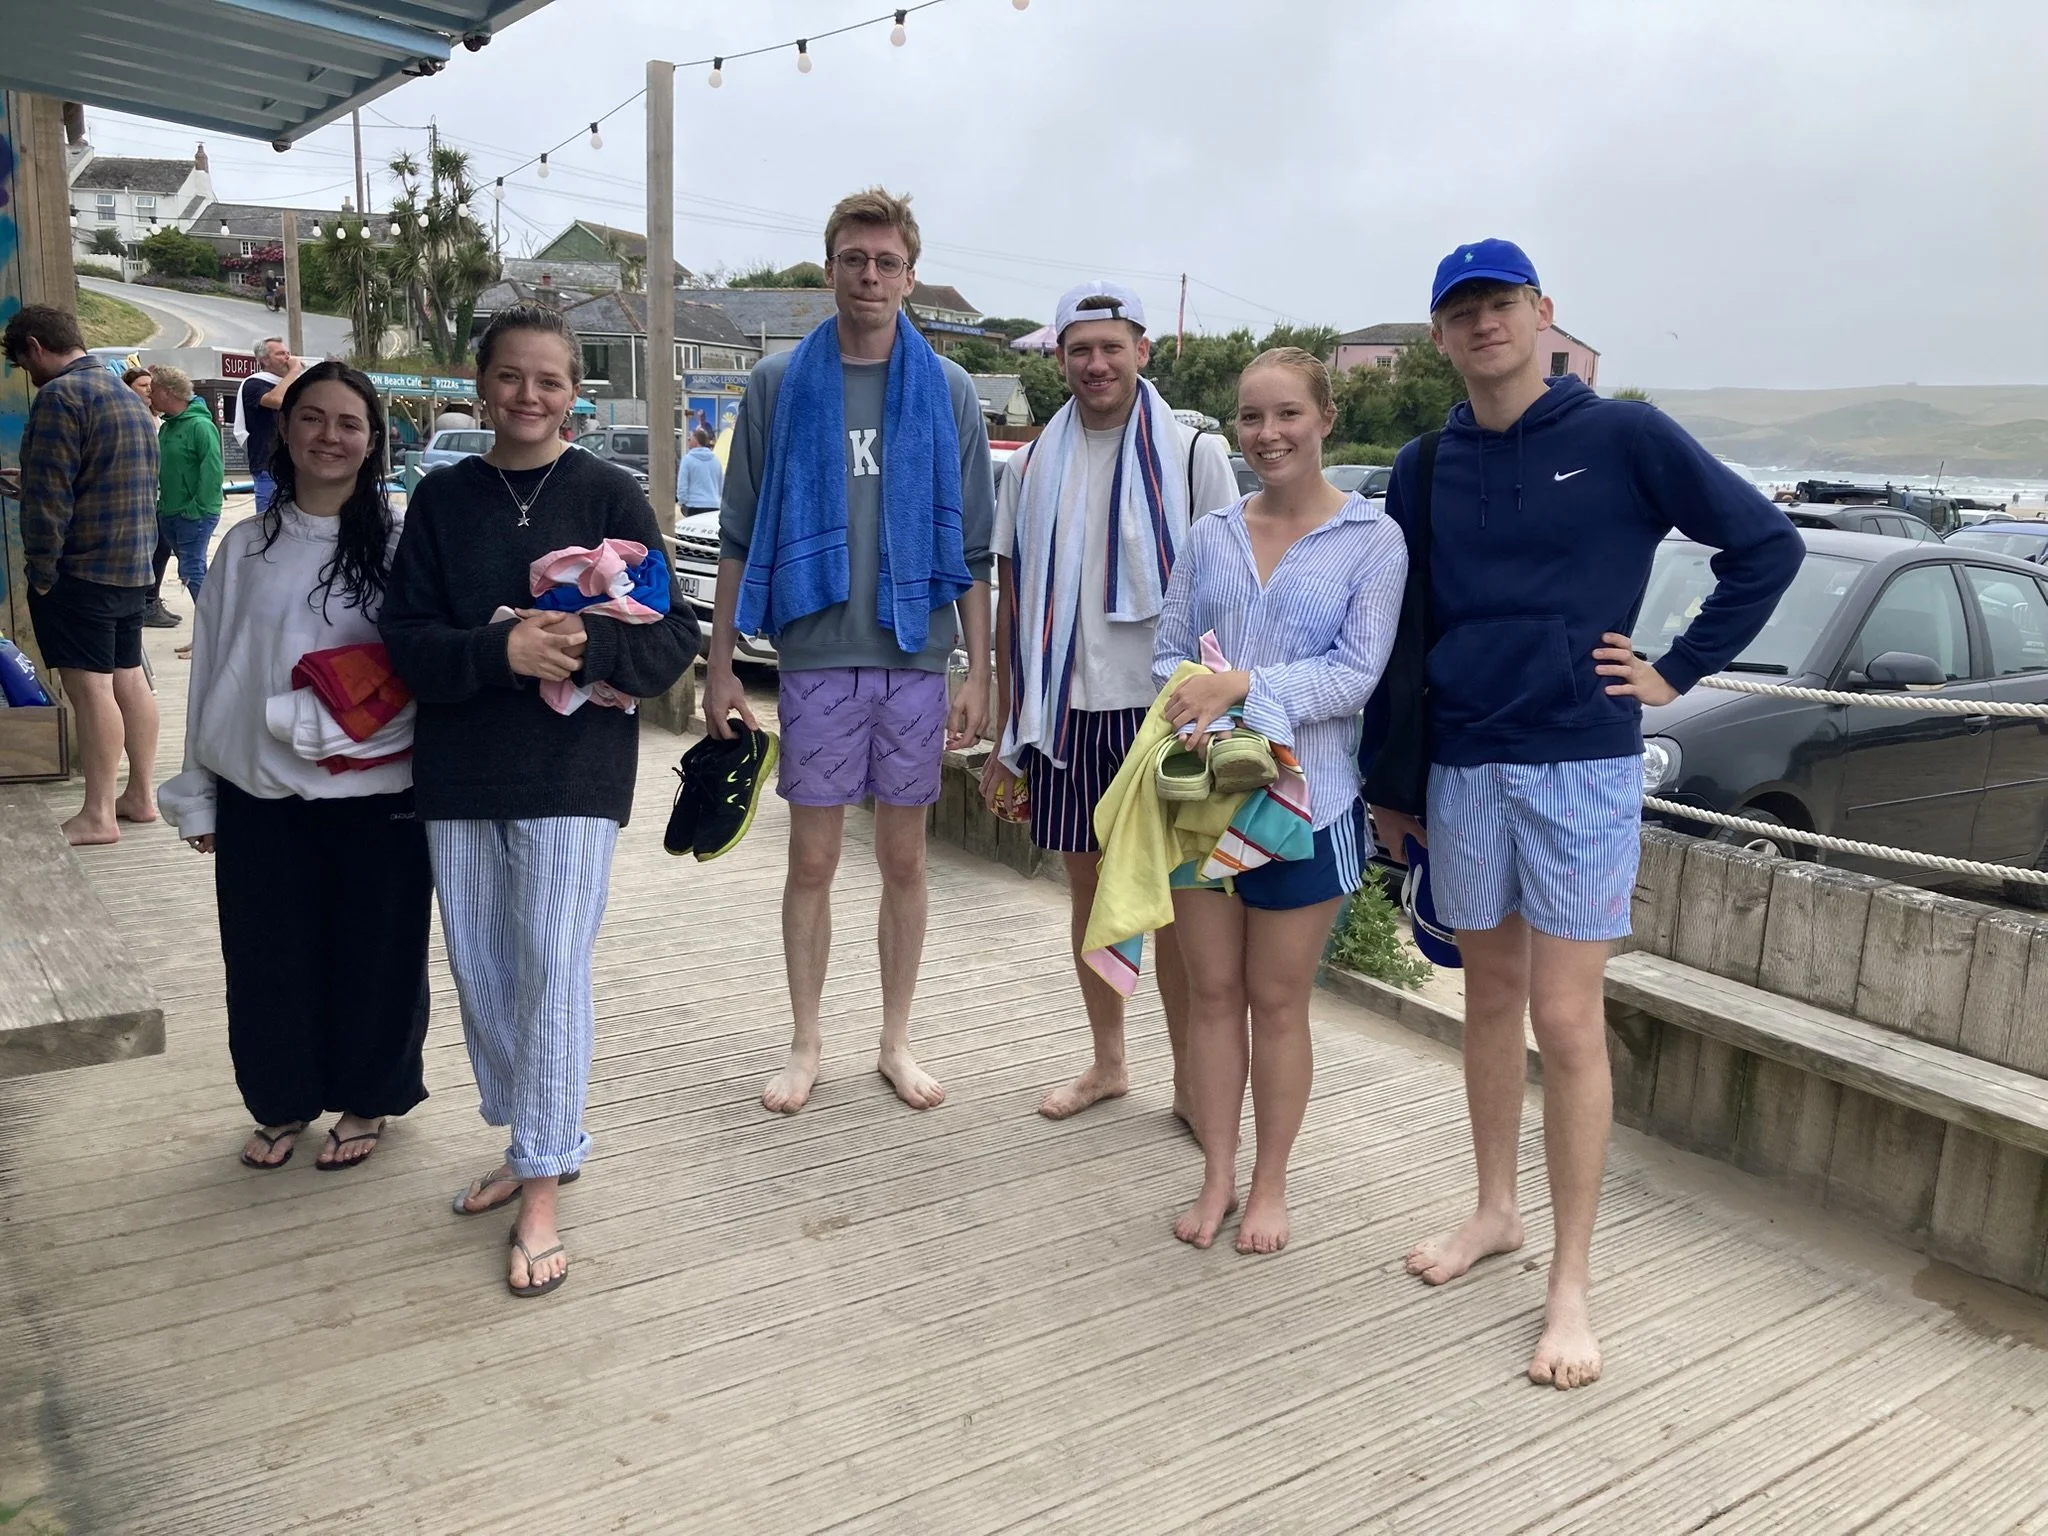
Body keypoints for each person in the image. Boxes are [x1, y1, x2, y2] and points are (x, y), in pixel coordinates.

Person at [1365, 240, 1801, 1388]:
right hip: (1462, 764)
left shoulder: (1623, 436)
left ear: (1540, 313)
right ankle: (1491, 1212)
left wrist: (1675, 669)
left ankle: (1568, 1284)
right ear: (1440, 337)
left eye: (1498, 304)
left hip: (1578, 766)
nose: (1481, 326)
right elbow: (1403, 628)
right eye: (1459, 313)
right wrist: (1392, 785)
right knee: (1485, 998)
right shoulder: (1423, 463)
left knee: (1564, 1019)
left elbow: (1764, 546)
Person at [381, 304, 699, 1298]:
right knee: (484, 974)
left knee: (552, 966)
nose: (528, 395)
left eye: (548, 380)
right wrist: (497, 650)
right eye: (510, 377)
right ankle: (533, 1145)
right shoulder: (439, 502)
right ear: (482, 386)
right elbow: (404, 642)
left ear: (575, 395)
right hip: (461, 772)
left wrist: (584, 646)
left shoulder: (609, 493)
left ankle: (545, 1183)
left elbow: (667, 639)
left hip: (572, 774)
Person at [703, 186, 995, 1116]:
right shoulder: (780, 384)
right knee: (814, 862)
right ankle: (804, 1042)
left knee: (905, 860)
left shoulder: (947, 390)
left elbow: (976, 548)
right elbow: (739, 529)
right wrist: (717, 663)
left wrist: (978, 671)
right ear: (828, 266)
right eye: (853, 259)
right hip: (816, 650)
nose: (870, 277)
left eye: (887, 262)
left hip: (914, 655)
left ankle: (896, 1039)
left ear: (911, 276)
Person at [1151, 348, 1404, 1255]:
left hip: (1313, 805)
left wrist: (1240, 691)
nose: (1269, 435)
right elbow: (1167, 652)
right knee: (1212, 993)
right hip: (1203, 801)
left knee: (1277, 999)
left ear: (1325, 418)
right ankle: (1216, 1173)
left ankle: (1269, 1184)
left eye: (1288, 414)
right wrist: (1193, 710)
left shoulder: (1373, 540)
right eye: (1252, 418)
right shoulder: (1211, 533)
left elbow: (1357, 674)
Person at [157, 362, 433, 1173]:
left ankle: (369, 1097)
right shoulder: (245, 545)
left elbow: (434, 658)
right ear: (286, 431)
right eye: (312, 419)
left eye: (349, 423)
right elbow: (211, 670)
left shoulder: (402, 541)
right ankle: (280, 1102)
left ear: (374, 440)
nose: (329, 437)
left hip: (377, 794)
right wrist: (198, 796)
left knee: (377, 953)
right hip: (260, 794)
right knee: (267, 955)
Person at [985, 281, 1237, 1125]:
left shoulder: (1195, 453)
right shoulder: (1029, 467)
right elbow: (1012, 599)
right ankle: (1107, 1061)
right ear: (1060, 358)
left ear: (1142, 352)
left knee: (1175, 903)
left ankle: (1186, 1079)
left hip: (1164, 709)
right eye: (1080, 349)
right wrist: (1005, 728)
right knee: (1089, 891)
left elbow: (1232, 591)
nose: (1097, 363)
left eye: (1111, 346)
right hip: (1064, 707)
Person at [2, 305, 162, 845]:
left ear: (34, 345)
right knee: (128, 679)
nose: (29, 375)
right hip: (131, 566)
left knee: (90, 691)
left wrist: (41, 574)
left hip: (81, 570)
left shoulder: (59, 397)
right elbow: (103, 477)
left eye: (24, 363)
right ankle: (140, 796)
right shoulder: (129, 397)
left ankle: (97, 816)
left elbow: (50, 503)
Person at [150, 365, 223, 662]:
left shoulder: (200, 427)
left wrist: (197, 509)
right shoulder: (168, 426)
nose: (150, 394)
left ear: (168, 392)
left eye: (153, 389)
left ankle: (213, 639)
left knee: (192, 571)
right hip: (170, 512)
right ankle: (209, 636)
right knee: (191, 571)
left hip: (194, 514)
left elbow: (212, 471)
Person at [126, 367, 181, 633]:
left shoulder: (158, 419)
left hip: (160, 496)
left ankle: (152, 599)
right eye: (142, 385)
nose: (149, 389)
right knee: (155, 549)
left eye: (151, 385)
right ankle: (146, 602)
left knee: (162, 548)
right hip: (143, 497)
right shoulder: (131, 418)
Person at [236, 337, 300, 510]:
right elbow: (276, 399)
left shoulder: (292, 385)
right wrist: (293, 372)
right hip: (268, 465)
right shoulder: (254, 383)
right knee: (268, 521)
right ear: (265, 360)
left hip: (294, 465)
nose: (287, 357)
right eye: (280, 354)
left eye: (288, 353)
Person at [677, 426, 724, 523]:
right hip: (714, 504)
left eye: (690, 439)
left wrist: (682, 502)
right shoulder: (716, 460)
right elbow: (721, 486)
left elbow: (682, 485)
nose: (688, 441)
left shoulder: (687, 460)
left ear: (695, 441)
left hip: (694, 505)